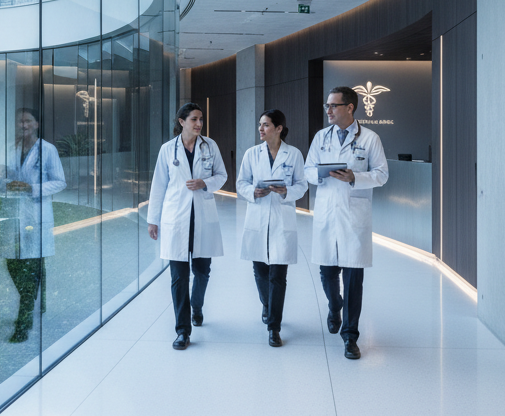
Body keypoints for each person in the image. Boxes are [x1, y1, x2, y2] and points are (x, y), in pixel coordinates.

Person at [305, 86, 389, 359]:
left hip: (355, 215)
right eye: (327, 106)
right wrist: (320, 174)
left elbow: (381, 174)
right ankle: (334, 306)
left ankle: (350, 336)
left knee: (353, 278)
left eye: (333, 105)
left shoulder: (370, 138)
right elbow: (308, 169)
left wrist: (354, 177)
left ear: (350, 107)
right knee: (328, 272)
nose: (328, 110)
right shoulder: (321, 137)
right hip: (328, 211)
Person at [147, 102, 227, 350]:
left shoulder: (209, 146)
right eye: (194, 119)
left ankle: (197, 305)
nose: (199, 123)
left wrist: (205, 182)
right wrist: (153, 219)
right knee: (178, 278)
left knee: (202, 271)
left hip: (202, 217)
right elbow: (158, 185)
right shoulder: (167, 150)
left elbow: (222, 175)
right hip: (176, 219)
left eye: (201, 119)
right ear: (182, 122)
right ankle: (182, 330)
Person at [235, 109, 308, 347]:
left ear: (278, 128)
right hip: (258, 216)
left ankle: (274, 327)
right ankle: (267, 304)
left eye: (265, 125)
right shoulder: (251, 154)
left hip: (281, 217)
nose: (260, 129)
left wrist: (287, 191)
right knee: (260, 271)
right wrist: (251, 192)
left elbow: (302, 184)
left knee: (278, 275)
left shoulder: (294, 154)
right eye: (260, 125)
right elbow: (241, 182)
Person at [0, 107, 66, 343]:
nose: (23, 125)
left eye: (28, 121)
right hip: (13, 213)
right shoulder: (11, 149)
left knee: (30, 265)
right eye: (20, 122)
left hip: (36, 212)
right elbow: (2, 177)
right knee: (13, 262)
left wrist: (32, 188)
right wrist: (8, 183)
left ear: (37, 124)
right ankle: (36, 300)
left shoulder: (47, 150)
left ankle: (24, 319)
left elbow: (59, 182)